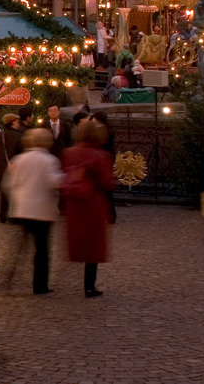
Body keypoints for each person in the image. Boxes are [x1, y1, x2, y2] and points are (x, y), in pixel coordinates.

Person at [3, 128, 64, 295]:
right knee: (42, 249)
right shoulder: (48, 160)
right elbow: (54, 182)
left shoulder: (19, 159)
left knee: (21, 246)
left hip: (22, 208)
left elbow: (9, 184)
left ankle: (10, 277)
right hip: (42, 210)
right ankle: (40, 284)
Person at [61, 120, 115, 297]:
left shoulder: (69, 153)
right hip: (93, 204)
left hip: (74, 205)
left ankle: (70, 275)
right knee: (93, 245)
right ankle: (89, 285)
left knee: (78, 239)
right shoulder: (101, 155)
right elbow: (107, 182)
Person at [0, 113, 25, 223]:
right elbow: (21, 152)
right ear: (13, 122)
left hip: (3, 168)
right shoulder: (18, 135)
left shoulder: (1, 135)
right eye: (17, 121)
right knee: (16, 192)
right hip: (16, 167)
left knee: (5, 193)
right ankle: (15, 216)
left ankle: (2, 215)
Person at [90, 111, 118, 223]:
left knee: (104, 192)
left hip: (101, 162)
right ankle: (110, 214)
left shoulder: (100, 131)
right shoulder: (108, 129)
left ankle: (108, 214)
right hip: (107, 161)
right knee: (106, 192)